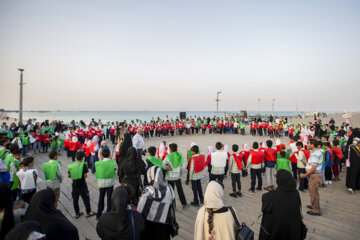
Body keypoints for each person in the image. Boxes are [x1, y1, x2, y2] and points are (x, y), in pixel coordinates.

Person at [259, 169, 306, 240]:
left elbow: (264, 202)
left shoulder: (271, 196)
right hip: (293, 231)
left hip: (277, 232)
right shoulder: (296, 193)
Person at [137, 166, 175, 240]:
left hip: (149, 228)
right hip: (164, 227)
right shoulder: (169, 189)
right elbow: (172, 203)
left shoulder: (147, 192)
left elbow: (140, 211)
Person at [68, 151, 96, 219]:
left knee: (75, 199)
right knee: (86, 198)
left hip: (74, 184)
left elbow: (69, 175)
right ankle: (88, 212)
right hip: (82, 184)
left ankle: (77, 213)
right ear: (83, 158)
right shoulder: (83, 165)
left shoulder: (71, 165)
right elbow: (85, 175)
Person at [300, 139, 323, 216]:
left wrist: (305, 175)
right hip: (314, 175)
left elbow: (313, 168)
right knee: (312, 191)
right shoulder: (314, 152)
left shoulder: (315, 154)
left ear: (313, 145)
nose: (307, 144)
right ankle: (313, 205)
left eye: (309, 143)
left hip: (315, 175)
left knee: (314, 192)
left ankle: (316, 210)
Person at [162, 143, 188, 208]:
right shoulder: (179, 155)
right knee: (180, 190)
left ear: (170, 149)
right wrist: (179, 170)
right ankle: (184, 203)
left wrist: (168, 167)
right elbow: (184, 166)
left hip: (170, 176)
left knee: (171, 191)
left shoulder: (168, 156)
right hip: (177, 176)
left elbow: (163, 166)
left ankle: (173, 205)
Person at [95, 148, 117, 220]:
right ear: (109, 154)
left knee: (101, 197)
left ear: (102, 155)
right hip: (110, 182)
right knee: (109, 198)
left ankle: (98, 214)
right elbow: (117, 169)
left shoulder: (98, 163)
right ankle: (109, 212)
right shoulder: (112, 162)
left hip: (101, 183)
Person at [346, 128, 360, 193]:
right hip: (355, 162)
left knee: (352, 173)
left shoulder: (350, 146)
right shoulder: (351, 146)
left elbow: (346, 153)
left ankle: (351, 186)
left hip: (352, 162)